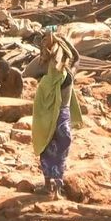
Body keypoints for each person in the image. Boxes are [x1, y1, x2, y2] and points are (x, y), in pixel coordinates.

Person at [32, 32, 83, 198]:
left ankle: (48, 186)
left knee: (46, 152)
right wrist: (64, 41)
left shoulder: (46, 81)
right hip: (63, 121)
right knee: (61, 155)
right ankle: (57, 191)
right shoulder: (69, 76)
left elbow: (40, 108)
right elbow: (77, 58)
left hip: (47, 122)